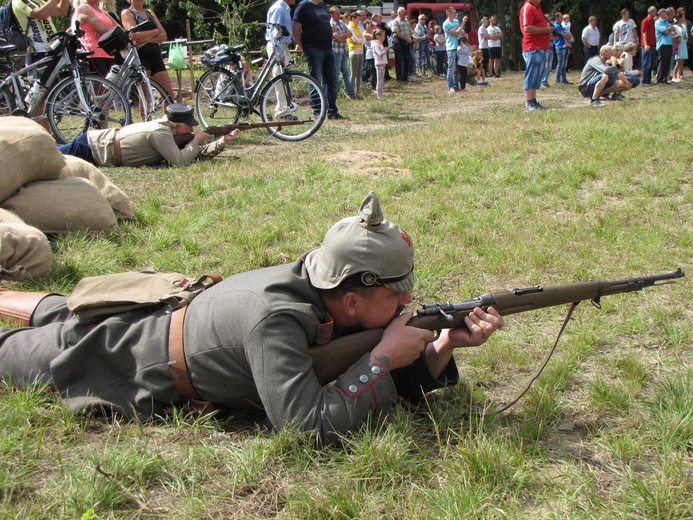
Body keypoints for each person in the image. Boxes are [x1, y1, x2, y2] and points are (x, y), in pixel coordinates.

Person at [0, 192, 505, 445]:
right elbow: (305, 427)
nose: (408, 301)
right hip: (127, 354)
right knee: (25, 347)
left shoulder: (321, 286)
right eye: (398, 294)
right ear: (351, 300)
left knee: (59, 308)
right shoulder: (277, 320)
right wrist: (379, 359)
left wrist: (443, 346)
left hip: (166, 309)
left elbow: (350, 369)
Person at [55, 104, 238, 167]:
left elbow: (194, 153)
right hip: (93, 148)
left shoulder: (170, 132)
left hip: (98, 149)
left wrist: (223, 141)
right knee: (50, 153)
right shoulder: (160, 132)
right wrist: (197, 140)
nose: (190, 131)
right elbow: (181, 161)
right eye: (187, 127)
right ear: (176, 125)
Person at [12, 0, 71, 127]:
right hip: (37, 52)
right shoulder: (19, 1)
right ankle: (42, 134)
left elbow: (62, 11)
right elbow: (41, 14)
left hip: (51, 50)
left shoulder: (37, 1)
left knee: (49, 98)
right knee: (40, 100)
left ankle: (47, 135)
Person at [293, 0, 343, 120]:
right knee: (315, 80)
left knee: (332, 81)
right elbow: (295, 28)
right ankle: (318, 112)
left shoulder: (321, 5)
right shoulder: (304, 6)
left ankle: (331, 111)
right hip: (313, 48)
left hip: (328, 48)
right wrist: (303, 46)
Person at [120, 0, 175, 101]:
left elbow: (163, 35)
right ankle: (146, 117)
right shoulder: (128, 13)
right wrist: (155, 32)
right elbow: (134, 35)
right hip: (142, 57)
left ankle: (167, 116)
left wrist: (146, 40)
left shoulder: (150, 13)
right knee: (146, 95)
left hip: (156, 57)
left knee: (168, 93)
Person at [519, 0, 553, 112]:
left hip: (540, 47)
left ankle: (533, 101)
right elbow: (527, 28)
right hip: (532, 47)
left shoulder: (536, 7)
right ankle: (529, 103)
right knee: (531, 74)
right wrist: (545, 30)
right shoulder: (528, 7)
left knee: (536, 75)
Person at [265, 0, 296, 119]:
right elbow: (274, 33)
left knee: (288, 78)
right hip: (278, 46)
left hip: (284, 46)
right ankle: (282, 112)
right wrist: (279, 53)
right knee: (280, 79)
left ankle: (285, 108)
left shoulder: (285, 8)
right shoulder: (279, 8)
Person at [75, 0, 117, 78]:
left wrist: (108, 29)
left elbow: (119, 28)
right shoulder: (84, 8)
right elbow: (103, 30)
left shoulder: (102, 11)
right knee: (102, 88)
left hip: (109, 53)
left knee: (114, 87)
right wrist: (109, 29)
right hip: (94, 54)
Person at [329, 8, 356, 101]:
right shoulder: (330, 24)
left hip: (343, 51)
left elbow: (350, 33)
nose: (339, 15)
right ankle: (334, 96)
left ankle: (351, 93)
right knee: (335, 75)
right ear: (331, 15)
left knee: (346, 73)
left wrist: (342, 36)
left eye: (339, 13)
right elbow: (338, 38)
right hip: (335, 52)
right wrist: (344, 36)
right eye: (336, 13)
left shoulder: (341, 23)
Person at [443, 5, 464, 93]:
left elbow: (461, 32)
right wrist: (463, 24)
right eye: (454, 13)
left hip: (458, 47)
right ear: (448, 13)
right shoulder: (446, 24)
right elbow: (455, 33)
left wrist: (461, 32)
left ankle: (456, 85)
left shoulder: (456, 21)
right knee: (451, 68)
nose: (455, 14)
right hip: (451, 47)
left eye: (456, 12)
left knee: (457, 68)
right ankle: (450, 86)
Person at [347, 10, 366, 98]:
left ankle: (358, 92)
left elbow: (363, 39)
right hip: (354, 51)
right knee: (353, 73)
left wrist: (360, 41)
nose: (359, 21)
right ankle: (351, 92)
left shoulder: (358, 27)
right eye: (358, 19)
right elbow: (354, 39)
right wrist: (360, 41)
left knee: (359, 73)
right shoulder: (350, 27)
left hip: (360, 51)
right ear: (353, 19)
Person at [390, 7, 412, 82]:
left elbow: (409, 30)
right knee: (399, 60)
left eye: (405, 12)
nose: (405, 13)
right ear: (399, 13)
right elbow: (397, 33)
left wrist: (410, 37)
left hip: (406, 42)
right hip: (399, 42)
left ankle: (405, 77)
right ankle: (399, 78)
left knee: (406, 60)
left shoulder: (406, 21)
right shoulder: (395, 21)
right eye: (403, 12)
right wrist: (406, 39)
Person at [655, 8, 676, 85]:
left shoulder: (666, 22)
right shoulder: (658, 23)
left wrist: (669, 28)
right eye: (665, 13)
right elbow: (666, 32)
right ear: (661, 14)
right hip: (662, 44)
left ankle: (664, 79)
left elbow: (673, 28)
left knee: (667, 62)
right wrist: (669, 29)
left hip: (669, 43)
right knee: (662, 62)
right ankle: (660, 79)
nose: (667, 14)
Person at [553, 11, 572, 85]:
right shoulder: (557, 26)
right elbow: (566, 35)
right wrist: (568, 36)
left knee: (564, 64)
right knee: (560, 64)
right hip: (560, 47)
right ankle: (557, 80)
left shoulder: (561, 25)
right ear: (557, 18)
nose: (562, 19)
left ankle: (563, 79)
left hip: (565, 45)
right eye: (561, 17)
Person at [640, 6, 657, 86]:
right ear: (650, 12)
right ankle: (644, 80)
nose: (656, 13)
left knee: (651, 63)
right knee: (646, 63)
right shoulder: (645, 21)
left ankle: (648, 80)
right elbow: (644, 33)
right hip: (647, 45)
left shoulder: (653, 21)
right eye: (654, 11)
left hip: (653, 45)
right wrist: (646, 44)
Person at [672, 8, 688, 82]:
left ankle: (679, 75)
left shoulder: (684, 26)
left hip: (684, 44)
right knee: (678, 61)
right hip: (678, 44)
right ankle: (674, 76)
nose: (684, 18)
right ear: (680, 18)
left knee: (682, 61)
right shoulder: (675, 27)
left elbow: (686, 34)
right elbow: (674, 35)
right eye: (683, 17)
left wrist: (686, 37)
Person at [372, 29, 388, 99]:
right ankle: (379, 94)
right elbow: (380, 54)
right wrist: (385, 50)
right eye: (383, 36)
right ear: (378, 36)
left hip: (382, 63)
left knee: (381, 79)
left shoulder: (379, 44)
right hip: (379, 64)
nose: (384, 38)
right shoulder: (375, 45)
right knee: (379, 79)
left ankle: (381, 93)